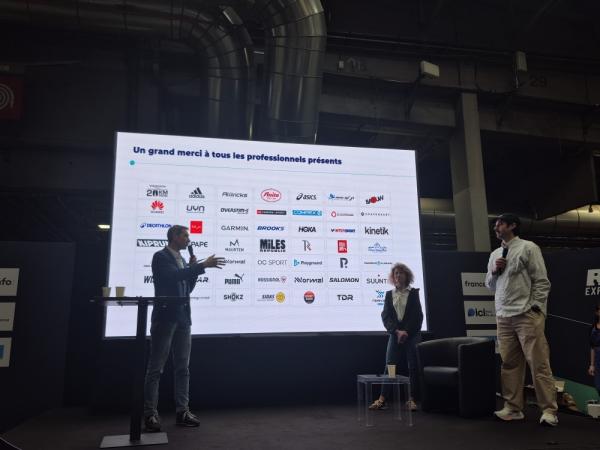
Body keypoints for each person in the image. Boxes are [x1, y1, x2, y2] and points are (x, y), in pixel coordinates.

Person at [144, 225, 225, 432]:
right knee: (156, 368)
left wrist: (194, 271)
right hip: (165, 318)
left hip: (183, 319)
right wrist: (200, 266)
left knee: (183, 368)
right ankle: (150, 414)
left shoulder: (182, 259)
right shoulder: (161, 257)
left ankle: (182, 412)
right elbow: (172, 277)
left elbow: (187, 288)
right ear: (174, 236)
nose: (189, 239)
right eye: (185, 235)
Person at [485, 213, 558, 427]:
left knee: (538, 363)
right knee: (509, 364)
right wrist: (495, 271)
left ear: (512, 225)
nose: (496, 226)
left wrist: (535, 308)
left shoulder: (529, 247)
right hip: (503, 315)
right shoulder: (495, 254)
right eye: (495, 224)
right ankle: (513, 408)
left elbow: (542, 281)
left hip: (526, 314)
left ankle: (549, 411)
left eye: (500, 223)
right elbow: (489, 285)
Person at [369, 263, 423, 412]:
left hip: (412, 334)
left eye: (400, 273)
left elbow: (417, 316)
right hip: (395, 334)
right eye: (396, 273)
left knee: (413, 366)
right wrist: (396, 331)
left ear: (407, 275)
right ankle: (383, 399)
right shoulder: (389, 294)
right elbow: (385, 316)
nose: (398, 275)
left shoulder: (413, 293)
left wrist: (406, 332)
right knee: (390, 366)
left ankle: (412, 399)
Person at [588, 304, 600, 396]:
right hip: (597, 361)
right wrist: (592, 365)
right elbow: (592, 347)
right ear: (597, 312)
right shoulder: (593, 327)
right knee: (598, 386)